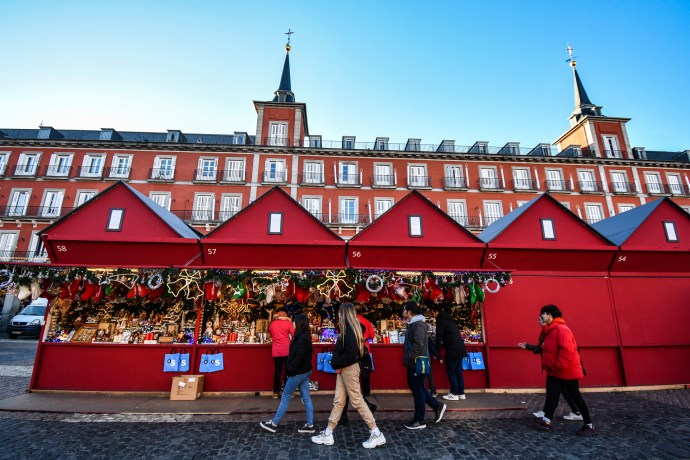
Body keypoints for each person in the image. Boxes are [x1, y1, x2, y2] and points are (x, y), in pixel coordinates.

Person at [311, 302, 386, 449]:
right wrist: (338, 364)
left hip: (348, 369)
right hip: (344, 369)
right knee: (339, 401)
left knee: (356, 400)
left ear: (344, 314)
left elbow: (352, 354)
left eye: (340, 312)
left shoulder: (349, 330)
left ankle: (376, 432)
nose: (338, 314)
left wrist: (336, 363)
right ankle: (328, 432)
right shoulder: (352, 329)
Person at [531, 304, 596, 437]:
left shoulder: (562, 329)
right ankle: (546, 420)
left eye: (543, 314)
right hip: (555, 371)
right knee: (552, 395)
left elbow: (567, 351)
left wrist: (558, 367)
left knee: (575, 396)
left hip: (566, 371)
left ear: (550, 315)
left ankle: (589, 424)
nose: (541, 316)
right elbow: (544, 348)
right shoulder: (549, 330)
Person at [518, 315, 583, 421]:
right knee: (556, 391)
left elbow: (565, 350)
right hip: (553, 367)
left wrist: (559, 365)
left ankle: (583, 417)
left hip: (562, 368)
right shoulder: (545, 333)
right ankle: (548, 414)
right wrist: (528, 347)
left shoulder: (557, 330)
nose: (539, 322)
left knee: (567, 392)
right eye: (538, 320)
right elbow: (542, 349)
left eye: (541, 320)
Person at [260, 314, 315, 434]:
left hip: (297, 373)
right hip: (305, 371)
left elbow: (298, 358)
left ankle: (274, 423)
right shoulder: (305, 336)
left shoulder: (300, 338)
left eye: (294, 322)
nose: (293, 324)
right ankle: (310, 424)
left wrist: (289, 370)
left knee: (285, 397)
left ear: (299, 323)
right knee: (306, 398)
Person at [401, 301, 446, 430]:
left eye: (405, 309)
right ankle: (437, 406)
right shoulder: (414, 324)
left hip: (417, 362)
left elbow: (419, 344)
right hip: (414, 362)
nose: (403, 312)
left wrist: (409, 359)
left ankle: (419, 419)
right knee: (417, 388)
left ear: (409, 311)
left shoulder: (418, 325)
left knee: (418, 390)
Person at [430, 304, 468, 401]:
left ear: (436, 311)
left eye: (432, 312)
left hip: (452, 350)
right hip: (460, 349)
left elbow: (438, 339)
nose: (432, 315)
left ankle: (454, 393)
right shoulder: (449, 320)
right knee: (458, 372)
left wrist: (436, 353)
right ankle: (461, 393)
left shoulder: (440, 321)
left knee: (451, 372)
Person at [269, 308, 294, 399]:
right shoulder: (288, 323)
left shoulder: (272, 324)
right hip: (286, 349)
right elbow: (293, 334)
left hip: (276, 350)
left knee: (277, 371)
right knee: (287, 371)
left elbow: (271, 334)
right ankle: (287, 393)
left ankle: (275, 392)